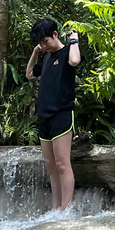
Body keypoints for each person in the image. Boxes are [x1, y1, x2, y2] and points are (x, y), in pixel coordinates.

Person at [26, 18, 81, 211]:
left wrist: (74, 39)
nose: (43, 45)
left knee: (62, 164)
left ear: (55, 34)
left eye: (45, 41)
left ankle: (66, 210)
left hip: (62, 114)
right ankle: (55, 208)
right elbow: (30, 74)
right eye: (40, 43)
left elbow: (75, 60)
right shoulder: (46, 56)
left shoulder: (67, 52)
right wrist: (35, 52)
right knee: (51, 166)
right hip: (44, 116)